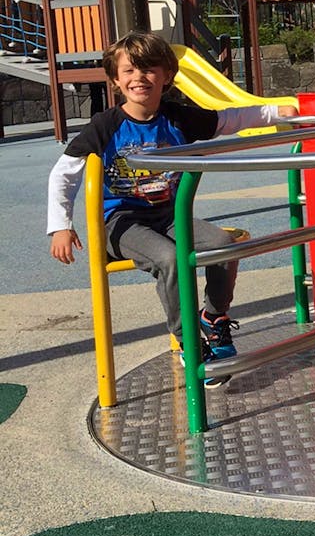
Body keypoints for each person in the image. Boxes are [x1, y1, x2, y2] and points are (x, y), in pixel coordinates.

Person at [47, 31, 297, 387]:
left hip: (167, 215)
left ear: (166, 76)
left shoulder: (177, 118)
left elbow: (229, 120)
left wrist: (273, 111)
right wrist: (61, 224)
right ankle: (188, 341)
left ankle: (214, 318)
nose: (139, 78)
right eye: (130, 70)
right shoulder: (106, 126)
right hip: (121, 222)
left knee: (223, 246)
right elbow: (65, 172)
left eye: (149, 69)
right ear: (116, 80)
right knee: (170, 259)